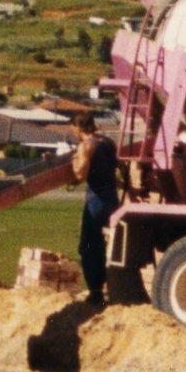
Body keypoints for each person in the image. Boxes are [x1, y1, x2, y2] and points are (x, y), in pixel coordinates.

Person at [71, 112, 119, 305]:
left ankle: (95, 293)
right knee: (108, 246)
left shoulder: (86, 146)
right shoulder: (108, 143)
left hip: (96, 202)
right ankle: (111, 286)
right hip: (112, 201)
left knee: (88, 247)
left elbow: (80, 174)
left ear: (77, 128)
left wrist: (75, 160)